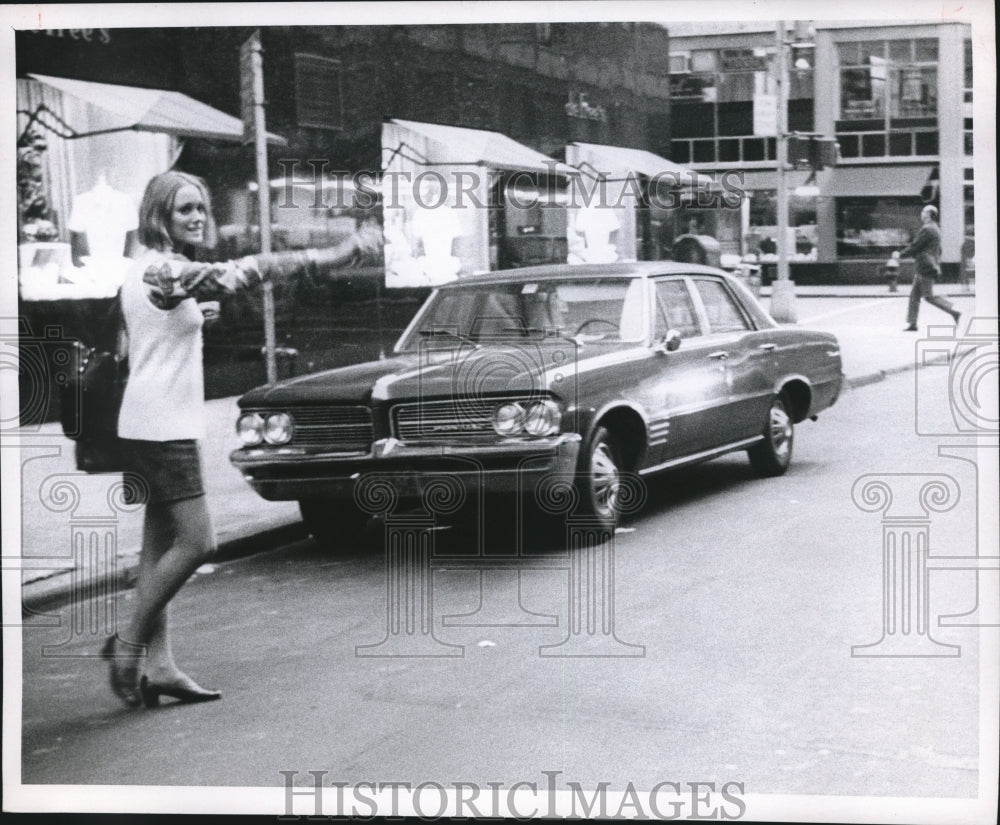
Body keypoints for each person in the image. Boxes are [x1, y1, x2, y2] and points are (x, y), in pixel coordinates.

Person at [103, 171, 380, 708]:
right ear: (159, 213)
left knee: (158, 546)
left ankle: (159, 665)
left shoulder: (154, 271)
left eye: (202, 207)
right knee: (197, 543)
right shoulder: (163, 270)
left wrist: (191, 319)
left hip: (151, 422)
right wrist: (334, 253)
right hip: (162, 428)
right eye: (185, 208)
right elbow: (244, 272)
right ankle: (128, 642)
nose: (198, 217)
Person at [900, 205, 960, 331]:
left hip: (926, 266)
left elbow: (916, 246)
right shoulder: (935, 228)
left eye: (923, 212)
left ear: (928, 214)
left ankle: (953, 311)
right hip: (926, 265)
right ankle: (912, 323)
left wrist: (900, 254)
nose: (921, 214)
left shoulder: (927, 229)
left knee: (928, 296)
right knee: (914, 296)